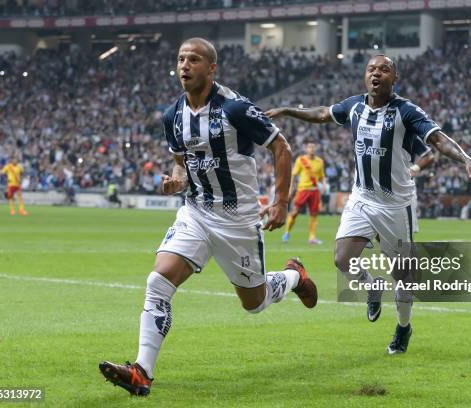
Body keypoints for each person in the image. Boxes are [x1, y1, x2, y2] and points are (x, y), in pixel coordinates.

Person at [99, 38, 318, 396]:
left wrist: (280, 203)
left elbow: (281, 147)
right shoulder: (173, 116)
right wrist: (176, 181)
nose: (185, 65)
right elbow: (180, 162)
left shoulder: (235, 108)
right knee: (158, 283)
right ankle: (142, 372)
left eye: (194, 59)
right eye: (181, 58)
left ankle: (294, 276)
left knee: (255, 303)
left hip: (238, 222)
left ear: (211, 68)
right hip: (196, 214)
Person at [266, 54, 471, 354]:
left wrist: (464, 157)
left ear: (394, 78)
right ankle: (372, 286)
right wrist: (285, 110)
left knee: (403, 275)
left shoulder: (406, 111)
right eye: (371, 69)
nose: (376, 73)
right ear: (365, 76)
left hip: (395, 206)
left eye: (384, 70)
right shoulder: (354, 106)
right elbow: (322, 114)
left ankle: (403, 328)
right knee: (342, 258)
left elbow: (437, 140)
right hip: (362, 197)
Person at [282, 140, 327, 245]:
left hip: (314, 191)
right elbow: (293, 175)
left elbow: (321, 176)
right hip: (303, 190)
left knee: (314, 215)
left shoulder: (320, 162)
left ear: (316, 149)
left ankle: (312, 237)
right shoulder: (301, 160)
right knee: (294, 212)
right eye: (309, 147)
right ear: (306, 149)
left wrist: (324, 184)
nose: (311, 149)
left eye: (313, 147)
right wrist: (291, 189)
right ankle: (287, 233)